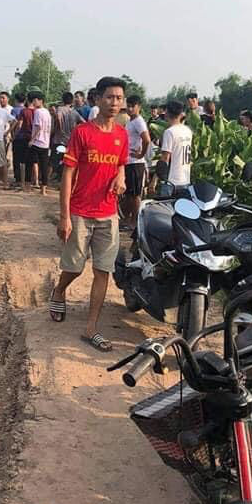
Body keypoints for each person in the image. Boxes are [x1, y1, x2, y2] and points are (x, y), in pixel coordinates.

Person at [49, 77, 129, 352]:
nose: (114, 103)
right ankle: (59, 291)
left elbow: (120, 164)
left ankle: (91, 327)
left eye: (119, 98)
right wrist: (65, 216)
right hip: (81, 212)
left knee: (102, 270)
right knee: (74, 266)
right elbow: (68, 174)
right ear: (97, 99)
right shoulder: (82, 133)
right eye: (109, 97)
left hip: (109, 214)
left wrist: (121, 178)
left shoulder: (122, 134)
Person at [123, 95, 151, 230]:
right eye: (128, 105)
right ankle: (128, 220)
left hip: (136, 162)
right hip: (129, 162)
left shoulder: (139, 121)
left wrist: (141, 154)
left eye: (132, 106)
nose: (129, 108)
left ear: (138, 107)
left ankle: (135, 222)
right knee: (129, 194)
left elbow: (146, 139)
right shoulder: (130, 121)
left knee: (135, 195)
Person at [160, 100, 193, 187]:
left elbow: (165, 158)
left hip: (171, 181)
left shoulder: (169, 132)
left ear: (167, 112)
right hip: (185, 180)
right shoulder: (188, 130)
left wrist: (155, 180)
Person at [52, 91, 82, 180]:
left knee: (53, 161)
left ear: (62, 100)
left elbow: (58, 117)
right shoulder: (74, 112)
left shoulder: (60, 109)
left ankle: (46, 182)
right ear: (72, 101)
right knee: (67, 162)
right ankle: (64, 181)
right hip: (70, 141)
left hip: (59, 140)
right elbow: (84, 122)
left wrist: (60, 128)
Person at [25, 92, 51, 195]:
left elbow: (38, 127)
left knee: (30, 163)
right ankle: (43, 190)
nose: (34, 103)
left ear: (40, 100)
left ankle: (27, 186)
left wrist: (32, 139)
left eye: (35, 100)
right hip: (45, 142)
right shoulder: (47, 112)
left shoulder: (38, 112)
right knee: (44, 166)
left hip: (37, 142)